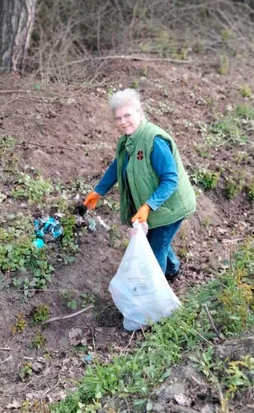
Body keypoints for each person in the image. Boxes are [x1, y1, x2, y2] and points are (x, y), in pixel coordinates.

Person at [83, 88, 196, 281]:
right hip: (155, 208)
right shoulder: (128, 141)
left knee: (153, 251)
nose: (123, 121)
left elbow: (170, 179)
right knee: (159, 241)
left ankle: (157, 300)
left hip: (171, 207)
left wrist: (148, 206)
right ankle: (173, 269)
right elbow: (118, 166)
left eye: (127, 115)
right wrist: (98, 191)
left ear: (140, 113)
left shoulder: (154, 141)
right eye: (118, 118)